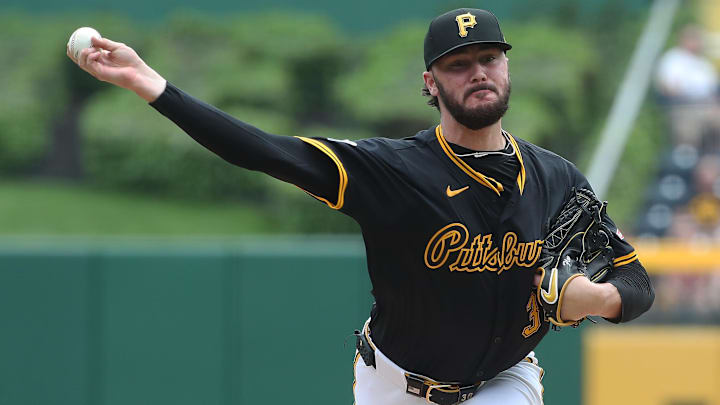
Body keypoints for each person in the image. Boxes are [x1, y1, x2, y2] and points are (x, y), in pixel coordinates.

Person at [68, 8, 654, 405]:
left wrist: (598, 297)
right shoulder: (393, 170)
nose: (478, 72)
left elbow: (636, 281)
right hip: (394, 385)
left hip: (506, 379)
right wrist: (154, 87)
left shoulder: (557, 180)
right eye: (458, 64)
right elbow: (267, 153)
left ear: (506, 66)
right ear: (431, 83)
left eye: (490, 58)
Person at [655, 25, 720, 149]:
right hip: (684, 107)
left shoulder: (704, 63)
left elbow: (713, 90)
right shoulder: (673, 59)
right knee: (688, 128)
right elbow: (668, 88)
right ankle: (687, 157)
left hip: (707, 106)